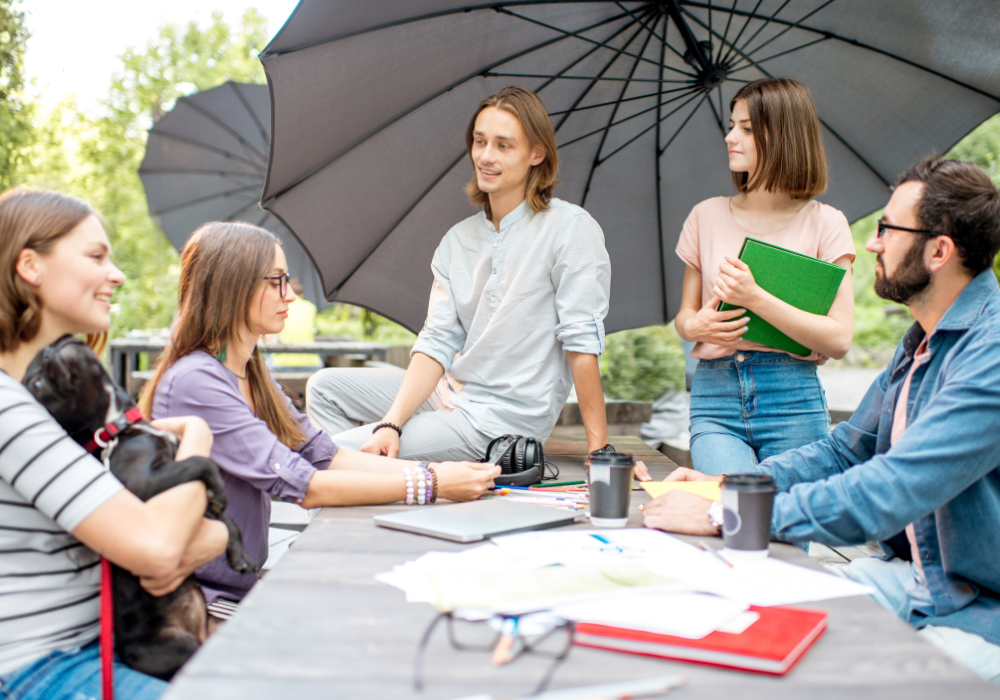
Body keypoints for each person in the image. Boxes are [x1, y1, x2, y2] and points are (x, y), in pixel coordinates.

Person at [645, 156, 1000, 685]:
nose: (874, 243)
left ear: (939, 251)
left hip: (978, 605)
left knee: (844, 682)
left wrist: (727, 514)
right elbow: (843, 451)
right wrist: (726, 485)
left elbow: (891, 489)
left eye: (887, 229)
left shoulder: (989, 355)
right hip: (909, 575)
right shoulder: (919, 343)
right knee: (754, 632)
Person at [140, 222, 499, 605]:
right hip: (201, 603)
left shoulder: (249, 370)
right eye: (275, 281)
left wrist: (437, 474)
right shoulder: (197, 381)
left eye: (288, 281)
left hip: (240, 583)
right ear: (233, 285)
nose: (289, 296)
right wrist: (433, 486)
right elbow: (305, 486)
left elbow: (326, 456)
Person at [305, 86, 615, 463]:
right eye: (479, 141)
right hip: (447, 395)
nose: (485, 156)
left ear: (537, 153)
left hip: (499, 421)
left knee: (328, 453)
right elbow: (436, 340)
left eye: (504, 145)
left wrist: (600, 450)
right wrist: (393, 422)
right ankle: (376, 487)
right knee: (325, 388)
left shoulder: (570, 229)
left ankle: (368, 478)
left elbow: (581, 342)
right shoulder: (457, 241)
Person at [0, 188, 228, 699]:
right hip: (42, 669)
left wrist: (192, 536)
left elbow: (206, 539)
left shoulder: (49, 403)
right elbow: (159, 550)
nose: (116, 275)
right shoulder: (9, 409)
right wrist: (197, 435)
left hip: (103, 644)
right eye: (96, 257)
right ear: (30, 266)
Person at [674, 77, 855, 475]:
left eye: (747, 128)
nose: (729, 137)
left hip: (793, 397)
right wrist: (696, 325)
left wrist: (755, 297)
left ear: (784, 135)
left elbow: (839, 338)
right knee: (728, 522)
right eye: (731, 125)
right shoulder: (705, 215)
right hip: (715, 395)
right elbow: (684, 317)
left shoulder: (827, 223)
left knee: (785, 534)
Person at [268, 277, 322, 370]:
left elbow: (273, 337)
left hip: (282, 362)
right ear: (302, 295)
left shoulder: (280, 308)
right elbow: (316, 329)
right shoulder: (311, 307)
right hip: (310, 362)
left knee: (265, 365)